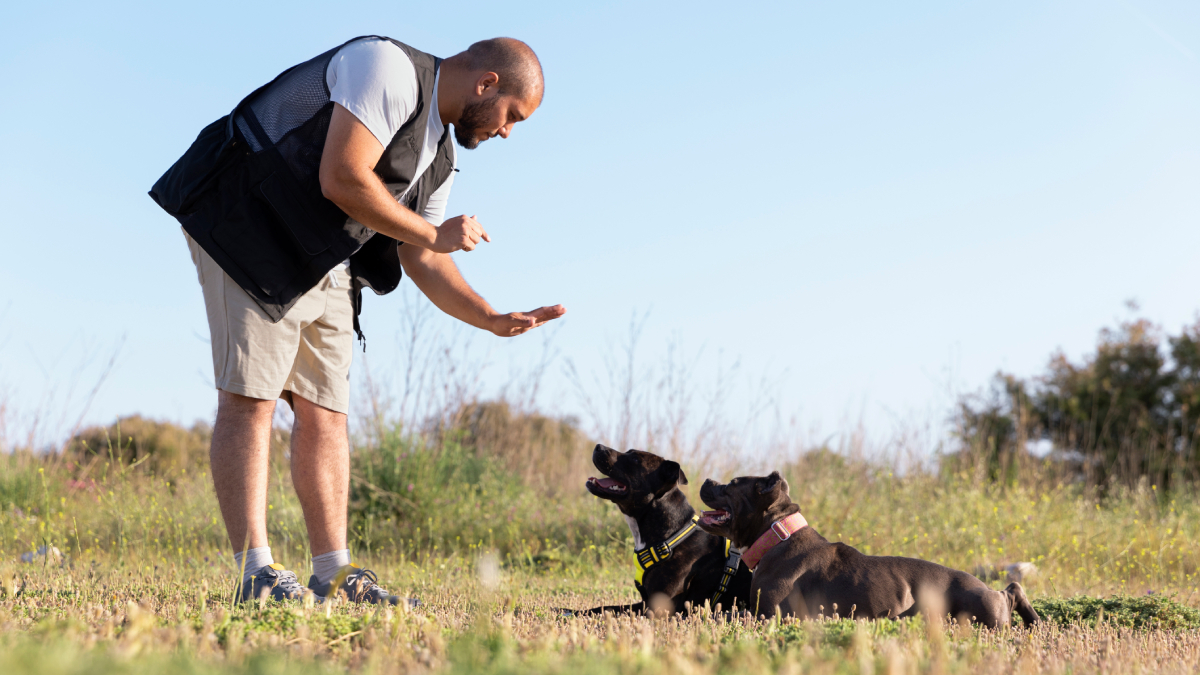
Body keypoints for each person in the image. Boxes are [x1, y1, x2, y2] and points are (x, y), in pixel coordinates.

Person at [149, 35, 564, 604]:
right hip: (248, 224)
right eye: (512, 115)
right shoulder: (387, 68)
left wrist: (489, 317)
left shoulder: (441, 158)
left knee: (326, 412)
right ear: (486, 83)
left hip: (323, 254)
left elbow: (422, 255)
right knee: (251, 398)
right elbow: (342, 176)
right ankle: (256, 574)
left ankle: (334, 576)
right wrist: (431, 233)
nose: (508, 131)